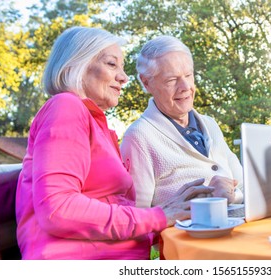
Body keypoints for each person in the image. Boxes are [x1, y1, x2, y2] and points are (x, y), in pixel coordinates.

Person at [15, 27, 214, 260]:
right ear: (76, 65)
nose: (124, 77)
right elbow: (58, 209)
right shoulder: (65, 107)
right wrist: (159, 216)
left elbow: (116, 216)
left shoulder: (98, 126)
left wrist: (174, 210)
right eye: (112, 64)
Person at [120, 35, 243, 208]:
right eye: (172, 80)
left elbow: (243, 185)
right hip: (185, 233)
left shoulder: (210, 124)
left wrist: (233, 195)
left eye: (188, 75)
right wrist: (211, 199)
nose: (185, 87)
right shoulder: (138, 137)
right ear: (146, 83)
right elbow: (137, 217)